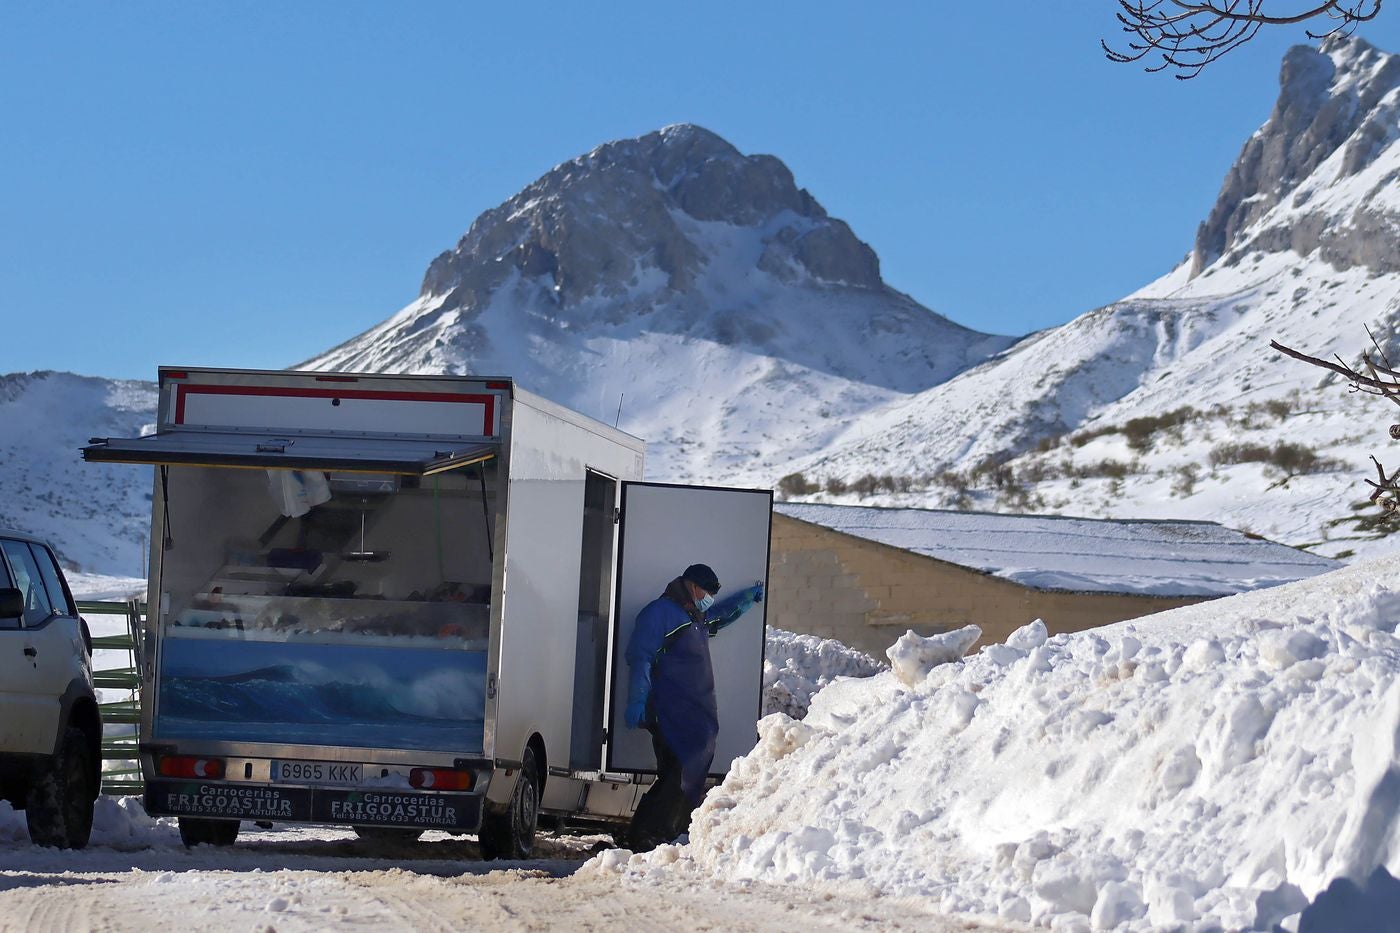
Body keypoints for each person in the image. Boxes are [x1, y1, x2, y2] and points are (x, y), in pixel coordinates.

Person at [623, 563, 764, 851]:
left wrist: (746, 599)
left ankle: (651, 834)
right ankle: (650, 835)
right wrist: (637, 699)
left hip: (690, 712)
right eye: (707, 591)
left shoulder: (692, 615)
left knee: (678, 774)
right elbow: (641, 657)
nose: (709, 597)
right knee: (678, 773)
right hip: (667, 708)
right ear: (691, 586)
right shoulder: (660, 613)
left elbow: (718, 617)